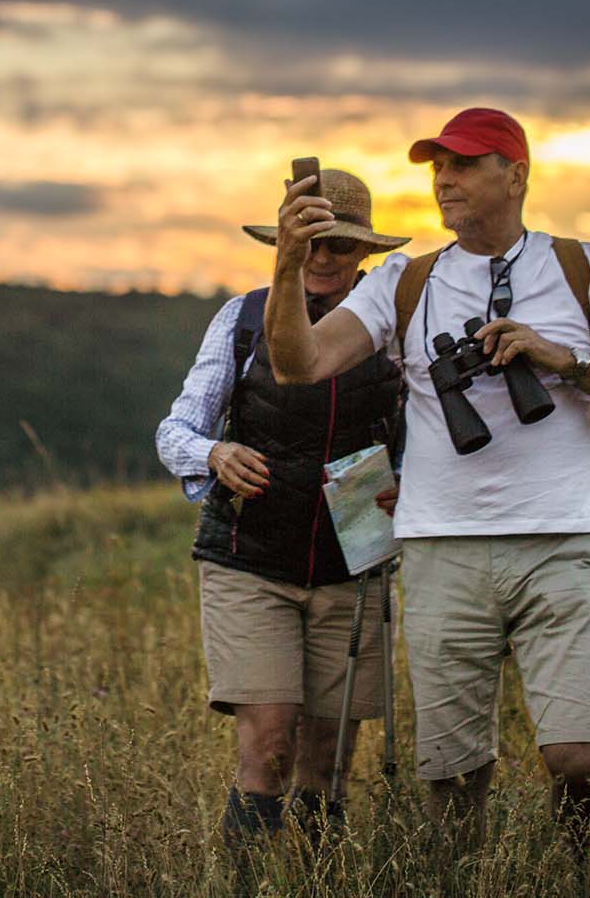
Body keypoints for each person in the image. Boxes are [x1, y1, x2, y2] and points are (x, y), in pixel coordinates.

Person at [262, 107, 590, 855]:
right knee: (453, 776)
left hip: (561, 539)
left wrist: (562, 361)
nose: (444, 180)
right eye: (436, 167)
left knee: (578, 762)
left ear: (514, 174)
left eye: (462, 163)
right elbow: (300, 364)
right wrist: (287, 264)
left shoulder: (583, 267)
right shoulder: (404, 280)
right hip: (441, 548)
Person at [154, 169, 409, 862]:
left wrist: (407, 488)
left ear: (365, 256)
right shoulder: (242, 317)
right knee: (268, 747)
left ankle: (317, 879)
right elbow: (174, 430)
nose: (324, 260)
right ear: (284, 243)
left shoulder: (395, 327)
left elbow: (428, 437)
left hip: (354, 562)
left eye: (342, 248)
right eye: (310, 244)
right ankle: (245, 881)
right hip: (249, 557)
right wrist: (214, 454)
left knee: (325, 763)